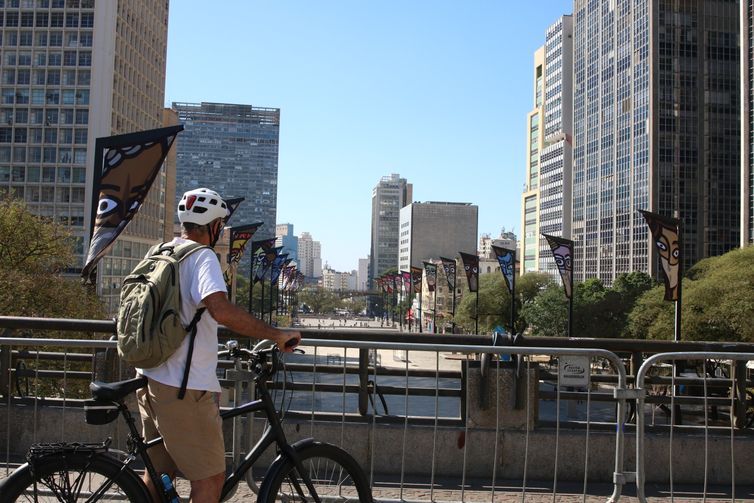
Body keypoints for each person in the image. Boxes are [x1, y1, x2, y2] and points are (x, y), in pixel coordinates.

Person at [135, 187, 301, 503]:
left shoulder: (162, 250)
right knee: (210, 478)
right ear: (214, 226)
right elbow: (221, 310)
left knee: (159, 476)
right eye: (220, 224)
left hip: (148, 377)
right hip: (183, 389)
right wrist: (276, 335)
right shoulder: (202, 256)